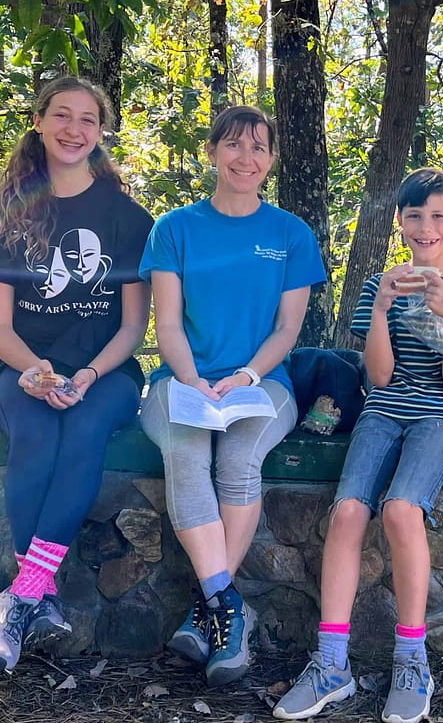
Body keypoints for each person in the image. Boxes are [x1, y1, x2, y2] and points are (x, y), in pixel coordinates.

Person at [273, 168, 443, 723]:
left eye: (438, 216)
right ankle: (331, 663)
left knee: (401, 510)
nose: (426, 227)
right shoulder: (384, 284)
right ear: (400, 221)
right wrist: (379, 309)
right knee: (348, 511)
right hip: (386, 406)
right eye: (415, 216)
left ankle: (411, 660)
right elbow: (378, 377)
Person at [0, 76, 153, 673]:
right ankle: (35, 595)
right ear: (40, 122)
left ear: (101, 131)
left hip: (107, 371)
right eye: (62, 115)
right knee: (38, 429)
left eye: (88, 119)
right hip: (21, 368)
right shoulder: (7, 214)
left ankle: (19, 598)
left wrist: (89, 374)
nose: (74, 129)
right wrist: (33, 370)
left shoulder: (128, 218)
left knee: (86, 428)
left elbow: (132, 327)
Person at [138, 106, 326, 686]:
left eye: (258, 147)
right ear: (213, 151)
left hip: (263, 383)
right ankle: (227, 607)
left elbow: (287, 330)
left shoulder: (290, 234)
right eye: (234, 145)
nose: (246, 158)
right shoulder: (174, 229)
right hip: (181, 381)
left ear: (271, 160)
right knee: (187, 452)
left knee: (240, 458)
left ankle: (208, 612)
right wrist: (191, 379)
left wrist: (245, 376)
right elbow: (167, 323)